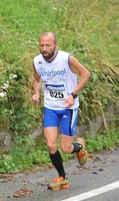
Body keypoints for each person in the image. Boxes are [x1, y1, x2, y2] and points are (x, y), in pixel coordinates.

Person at [31, 32, 91, 191]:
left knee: (65, 148)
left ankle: (78, 147)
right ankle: (62, 177)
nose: (44, 48)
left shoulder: (66, 59)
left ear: (56, 45)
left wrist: (73, 94)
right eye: (42, 45)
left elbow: (86, 74)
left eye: (48, 45)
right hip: (50, 107)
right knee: (51, 144)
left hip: (68, 108)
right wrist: (36, 92)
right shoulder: (37, 61)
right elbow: (37, 79)